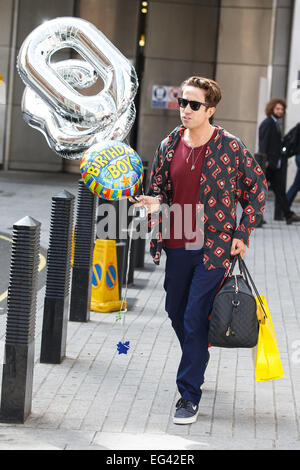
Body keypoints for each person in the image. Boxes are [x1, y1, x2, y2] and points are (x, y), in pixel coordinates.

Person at [132, 76, 267, 425]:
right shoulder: (167, 145)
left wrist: (243, 231)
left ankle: (189, 394)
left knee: (194, 317)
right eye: (182, 102)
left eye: (193, 104)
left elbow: (258, 189)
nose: (185, 109)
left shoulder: (231, 147)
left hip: (215, 247)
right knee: (176, 311)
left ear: (210, 109)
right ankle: (198, 351)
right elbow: (160, 189)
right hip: (177, 240)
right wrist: (153, 202)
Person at [258, 98, 300, 224]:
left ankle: (288, 215)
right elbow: (263, 143)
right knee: (260, 192)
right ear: (272, 109)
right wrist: (264, 160)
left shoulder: (275, 123)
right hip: (268, 163)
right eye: (278, 109)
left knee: (280, 191)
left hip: (274, 164)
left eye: (282, 109)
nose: (280, 111)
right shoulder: (268, 123)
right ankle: (257, 218)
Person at [283, 122, 300, 207]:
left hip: (298, 156)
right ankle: (284, 208)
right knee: (296, 185)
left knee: (297, 184)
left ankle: (284, 207)